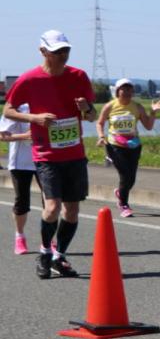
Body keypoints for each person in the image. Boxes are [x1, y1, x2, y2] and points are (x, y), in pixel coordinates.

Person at [2, 30, 97, 279]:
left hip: (74, 153)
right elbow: (8, 111)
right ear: (43, 51)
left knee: (72, 210)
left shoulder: (78, 76)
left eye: (66, 50)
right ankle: (45, 252)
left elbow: (92, 116)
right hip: (46, 154)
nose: (63, 55)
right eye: (57, 52)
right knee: (52, 207)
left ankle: (59, 256)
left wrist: (87, 108)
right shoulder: (29, 79)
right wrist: (34, 118)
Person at [95, 79, 160, 218]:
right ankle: (123, 204)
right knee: (125, 174)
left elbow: (148, 126)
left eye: (129, 89)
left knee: (131, 178)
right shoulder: (110, 106)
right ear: (117, 91)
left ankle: (121, 192)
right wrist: (101, 136)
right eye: (124, 89)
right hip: (114, 145)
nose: (127, 92)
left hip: (133, 145)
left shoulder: (137, 107)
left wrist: (153, 112)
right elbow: (100, 123)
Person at [0, 92, 40, 255]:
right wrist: (26, 136)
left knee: (51, 202)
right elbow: (2, 136)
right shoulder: (17, 108)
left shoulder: (47, 105)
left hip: (45, 160)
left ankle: (49, 240)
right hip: (20, 162)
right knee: (22, 201)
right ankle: (20, 236)